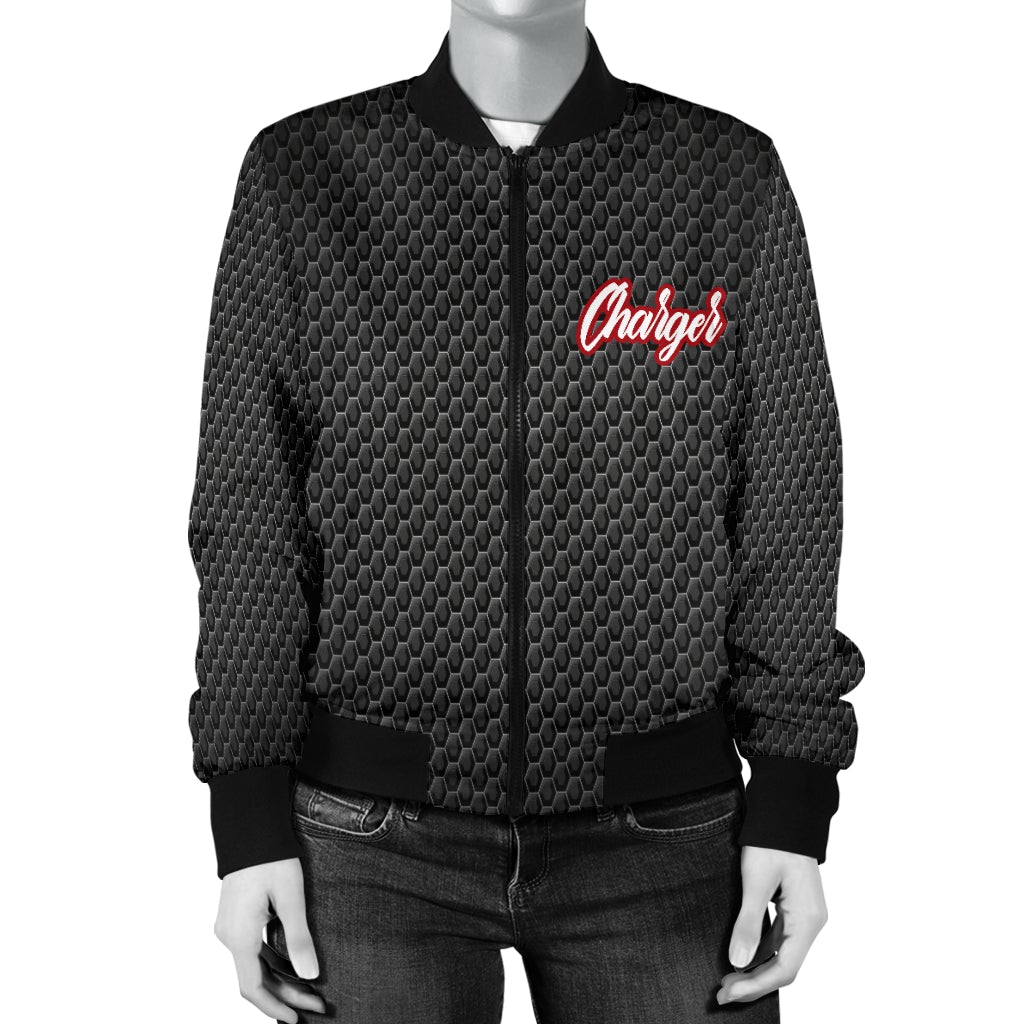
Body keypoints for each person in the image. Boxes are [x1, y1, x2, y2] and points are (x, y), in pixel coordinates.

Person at [187, 2, 865, 1021]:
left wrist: (792, 796)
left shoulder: (724, 179)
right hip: (369, 841)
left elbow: (789, 496)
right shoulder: (304, 176)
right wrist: (246, 817)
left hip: (667, 837)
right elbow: (249, 508)